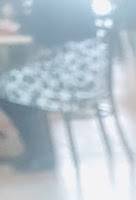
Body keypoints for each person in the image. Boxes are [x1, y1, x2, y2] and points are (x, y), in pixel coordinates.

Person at [0, 0, 103, 172]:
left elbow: (43, 32)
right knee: (12, 82)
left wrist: (19, 25)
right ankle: (37, 151)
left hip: (72, 74)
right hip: (83, 68)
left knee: (8, 86)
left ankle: (42, 153)